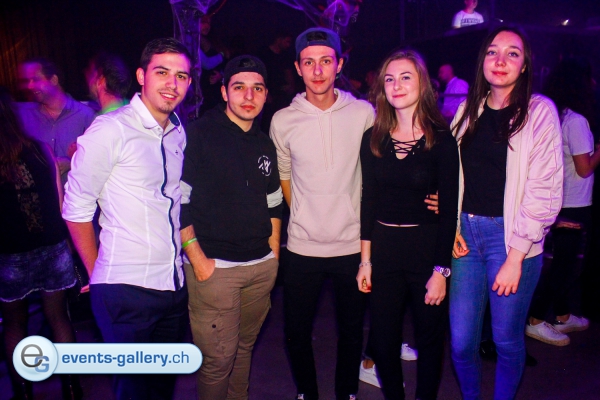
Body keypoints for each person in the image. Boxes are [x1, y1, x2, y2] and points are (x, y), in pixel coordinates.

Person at [62, 38, 192, 400]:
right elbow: (76, 209)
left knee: (161, 389)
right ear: (141, 76)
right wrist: (97, 274)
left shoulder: (177, 131)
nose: (172, 83)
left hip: (172, 287)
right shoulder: (110, 130)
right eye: (162, 72)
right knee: (133, 392)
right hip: (125, 290)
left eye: (181, 76)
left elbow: (173, 200)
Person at [449, 27, 563, 400]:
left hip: (512, 239)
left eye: (512, 53)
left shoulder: (539, 112)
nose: (500, 60)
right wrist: (450, 224)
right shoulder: (467, 110)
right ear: (482, 60)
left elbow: (544, 189)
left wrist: (515, 256)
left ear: (525, 64)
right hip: (466, 235)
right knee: (462, 343)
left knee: (506, 339)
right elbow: (451, 174)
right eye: (492, 52)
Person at [270, 27, 375, 400]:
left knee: (351, 330)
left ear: (339, 65)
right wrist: (301, 209)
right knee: (296, 332)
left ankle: (347, 392)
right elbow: (283, 173)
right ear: (298, 67)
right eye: (309, 62)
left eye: (326, 61)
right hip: (302, 245)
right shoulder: (283, 120)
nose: (317, 71)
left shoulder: (363, 113)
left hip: (352, 245)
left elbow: (378, 171)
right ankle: (307, 393)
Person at [356, 49, 459, 400]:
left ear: (422, 84)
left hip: (425, 251)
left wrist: (441, 271)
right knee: (383, 342)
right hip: (384, 251)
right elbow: (368, 201)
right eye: (389, 79)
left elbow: (448, 212)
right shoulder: (373, 138)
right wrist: (365, 261)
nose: (396, 85)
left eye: (405, 77)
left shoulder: (441, 140)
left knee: (430, 340)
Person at [180, 55, 283, 399]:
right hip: (216, 270)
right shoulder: (199, 134)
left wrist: (273, 256)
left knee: (243, 349)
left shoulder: (264, 143)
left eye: (257, 89)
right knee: (218, 361)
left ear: (266, 94)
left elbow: (274, 202)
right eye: (239, 87)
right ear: (224, 92)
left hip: (260, 267)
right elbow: (178, 202)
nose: (249, 96)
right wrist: (198, 260)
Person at [0, 87, 81, 400]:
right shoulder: (41, 149)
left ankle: (23, 393)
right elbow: (60, 204)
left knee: (14, 325)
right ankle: (71, 388)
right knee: (59, 317)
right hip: (52, 247)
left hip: (10, 254)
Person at [526, 57, 600, 346]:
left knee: (561, 263)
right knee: (564, 267)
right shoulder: (577, 121)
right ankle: (535, 319)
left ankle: (563, 314)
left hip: (560, 199)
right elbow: (584, 168)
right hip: (576, 203)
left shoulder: (558, 116)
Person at [16, 58, 95, 180]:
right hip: (42, 192)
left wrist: (71, 163)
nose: (30, 86)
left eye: (35, 80)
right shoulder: (25, 117)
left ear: (53, 80)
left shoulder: (85, 115)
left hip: (74, 191)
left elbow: (98, 159)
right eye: (27, 81)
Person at [257, 31, 296, 132]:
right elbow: (258, 75)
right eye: (287, 42)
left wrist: (291, 86)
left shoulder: (285, 55)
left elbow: (288, 73)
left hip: (281, 94)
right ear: (279, 40)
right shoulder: (264, 54)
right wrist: (265, 92)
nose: (288, 45)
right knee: (267, 122)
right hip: (268, 93)